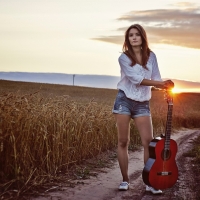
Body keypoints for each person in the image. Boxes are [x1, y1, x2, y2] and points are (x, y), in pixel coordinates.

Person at [112, 24, 174, 194]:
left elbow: (156, 78)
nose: (133, 38)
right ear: (127, 39)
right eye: (130, 35)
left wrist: (166, 88)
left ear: (142, 37)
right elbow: (135, 79)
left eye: (137, 35)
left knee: (149, 143)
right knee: (123, 141)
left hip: (142, 103)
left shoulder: (151, 56)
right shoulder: (124, 58)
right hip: (124, 100)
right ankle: (125, 180)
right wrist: (160, 84)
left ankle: (150, 182)